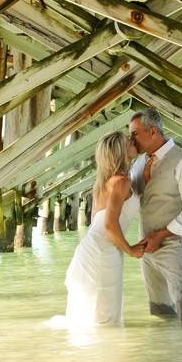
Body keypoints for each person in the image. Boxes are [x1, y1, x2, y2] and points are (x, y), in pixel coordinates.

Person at [60, 131, 143, 327]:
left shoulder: (107, 182)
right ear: (121, 152)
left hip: (96, 249)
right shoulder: (121, 182)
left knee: (97, 314)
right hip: (102, 252)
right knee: (103, 317)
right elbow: (109, 224)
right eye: (128, 142)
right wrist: (131, 250)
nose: (133, 142)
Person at [129, 109, 182, 323]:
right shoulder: (139, 164)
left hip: (173, 245)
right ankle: (166, 352)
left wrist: (162, 235)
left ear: (152, 132)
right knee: (159, 309)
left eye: (134, 134)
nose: (130, 140)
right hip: (146, 246)